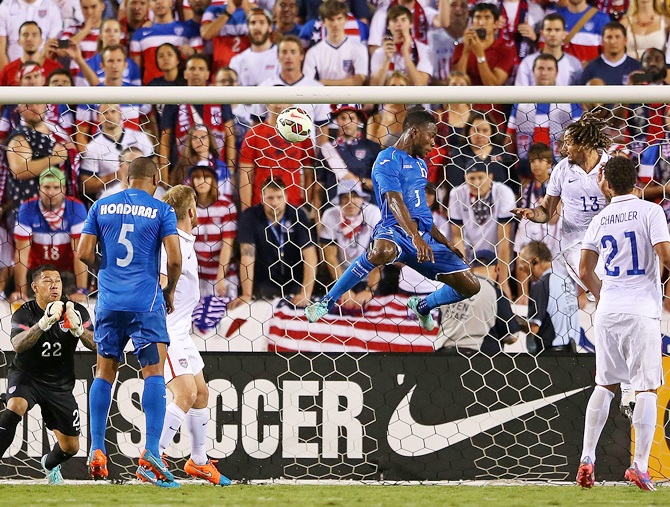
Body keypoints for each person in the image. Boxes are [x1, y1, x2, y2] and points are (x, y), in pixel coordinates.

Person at [305, 107, 481, 331]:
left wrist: (447, 244)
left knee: (470, 286)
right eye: (431, 136)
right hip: (393, 231)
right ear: (415, 132)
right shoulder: (387, 159)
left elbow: (422, 212)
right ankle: (326, 301)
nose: (434, 143)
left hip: (422, 236)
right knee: (379, 252)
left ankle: (423, 305)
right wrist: (414, 236)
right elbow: (393, 200)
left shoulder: (421, 165)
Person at [77, 156, 182, 486]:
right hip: (145, 302)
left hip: (108, 302)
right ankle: (151, 451)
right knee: (154, 372)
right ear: (155, 179)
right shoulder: (162, 209)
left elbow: (82, 253)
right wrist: (169, 292)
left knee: (104, 372)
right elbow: (175, 259)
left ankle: (96, 449)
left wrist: (108, 270)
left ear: (127, 177)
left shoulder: (102, 206)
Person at [577, 156, 670, 491]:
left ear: (607, 183)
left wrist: (604, 298)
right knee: (646, 388)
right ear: (636, 181)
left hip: (608, 311)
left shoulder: (599, 219)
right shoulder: (650, 211)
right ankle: (640, 466)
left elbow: (585, 271)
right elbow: (666, 257)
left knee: (605, 384)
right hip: (641, 310)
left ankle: (587, 458)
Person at [151, 185, 231, 486]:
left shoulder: (183, 241)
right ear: (190, 211)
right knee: (185, 394)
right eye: (195, 204)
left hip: (182, 332)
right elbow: (157, 286)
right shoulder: (171, 245)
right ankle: (153, 458)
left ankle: (198, 461)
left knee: (201, 394)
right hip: (167, 332)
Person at [0, 265, 95, 485]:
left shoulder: (76, 311)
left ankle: (50, 464)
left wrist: (79, 330)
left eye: (58, 280)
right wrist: (43, 324)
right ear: (34, 287)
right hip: (27, 377)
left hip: (60, 384)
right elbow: (17, 345)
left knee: (71, 447)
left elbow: (98, 346)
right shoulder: (25, 312)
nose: (54, 285)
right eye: (47, 281)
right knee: (14, 406)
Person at [511, 114, 611, 293]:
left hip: (608, 238)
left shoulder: (610, 166)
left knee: (612, 285)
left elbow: (626, 200)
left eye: (569, 143)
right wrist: (533, 214)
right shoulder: (562, 169)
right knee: (590, 277)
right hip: (575, 242)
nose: (564, 149)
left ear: (585, 145)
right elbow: (546, 211)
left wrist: (607, 192)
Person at [228, 179, 318, 310]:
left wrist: (306, 293)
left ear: (286, 197)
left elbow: (310, 256)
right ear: (262, 198)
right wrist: (246, 294)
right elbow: (247, 256)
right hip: (263, 284)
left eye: (279, 197)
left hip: (294, 283)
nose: (275, 203)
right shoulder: (250, 217)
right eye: (270, 198)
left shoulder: (298, 215)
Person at [13, 167, 89, 303]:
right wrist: (21, 291)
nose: (51, 192)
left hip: (66, 273)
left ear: (64, 189)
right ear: (39, 189)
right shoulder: (27, 209)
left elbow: (79, 252)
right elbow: (21, 254)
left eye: (56, 187)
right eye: (46, 187)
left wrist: (81, 289)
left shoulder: (76, 208)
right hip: (37, 272)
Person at [449, 165, 516, 297]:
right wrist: (464, 272)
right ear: (465, 178)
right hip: (471, 260)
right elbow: (457, 237)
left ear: (490, 177)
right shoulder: (457, 194)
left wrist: (503, 281)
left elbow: (504, 239)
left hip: (500, 261)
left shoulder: (503, 192)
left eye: (480, 177)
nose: (476, 183)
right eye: (472, 178)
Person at [437, 249, 519, 355]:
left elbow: (440, 322)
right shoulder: (495, 293)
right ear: (497, 268)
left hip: (442, 357)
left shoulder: (450, 287)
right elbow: (512, 336)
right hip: (478, 359)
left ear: (470, 268)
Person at [508, 54, 582, 164]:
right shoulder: (521, 100)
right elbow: (510, 135)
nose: (544, 73)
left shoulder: (570, 100)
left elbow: (580, 135)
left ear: (557, 72)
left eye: (549, 69)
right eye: (540, 68)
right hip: (526, 167)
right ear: (533, 71)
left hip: (561, 165)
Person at [320, 180, 382, 308]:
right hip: (341, 277)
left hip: (370, 277)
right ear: (339, 201)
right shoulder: (330, 215)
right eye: (344, 197)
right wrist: (343, 289)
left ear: (362, 198)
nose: (350, 201)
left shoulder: (374, 213)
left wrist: (369, 290)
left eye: (354, 196)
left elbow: (379, 256)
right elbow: (330, 257)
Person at [517, 241, 579, 354]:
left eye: (522, 264)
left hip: (551, 355)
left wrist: (515, 323)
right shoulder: (565, 280)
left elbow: (534, 328)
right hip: (571, 351)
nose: (520, 269)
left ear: (534, 261)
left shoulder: (541, 286)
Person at [302, 0, 368, 86]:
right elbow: (307, 82)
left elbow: (360, 80)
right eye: (331, 19)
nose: (335, 24)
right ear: (324, 22)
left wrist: (324, 82)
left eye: (339, 18)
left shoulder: (358, 48)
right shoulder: (314, 52)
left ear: (346, 20)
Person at [369, 5, 433, 87]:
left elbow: (421, 85)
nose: (399, 24)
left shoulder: (423, 50)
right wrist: (387, 59)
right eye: (395, 20)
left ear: (411, 24)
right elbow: (374, 87)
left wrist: (406, 53)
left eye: (403, 20)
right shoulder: (380, 53)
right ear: (388, 26)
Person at [229, 8, 279, 87]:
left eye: (262, 22)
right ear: (248, 28)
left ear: (270, 27)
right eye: (253, 23)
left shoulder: (281, 56)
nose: (257, 27)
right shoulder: (237, 61)